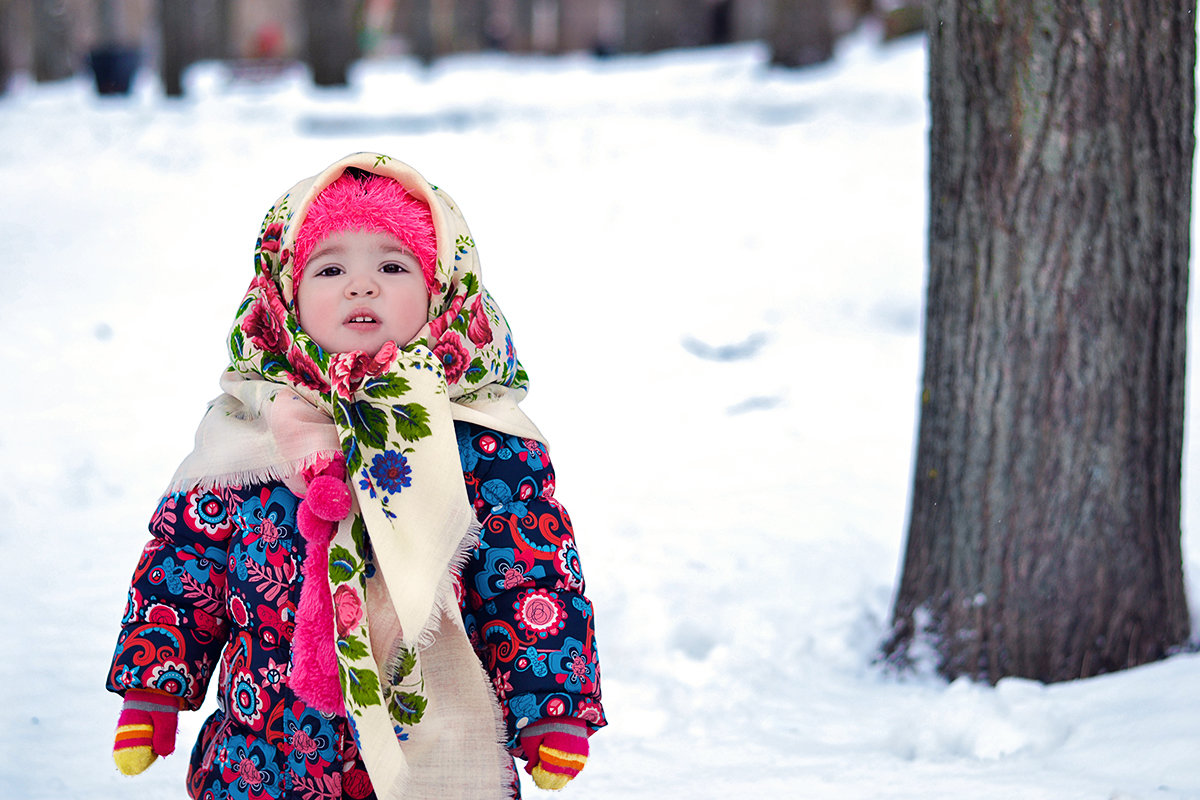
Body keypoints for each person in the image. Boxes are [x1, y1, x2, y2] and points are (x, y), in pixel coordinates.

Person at [106, 153, 606, 800]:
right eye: (331, 267)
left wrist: (552, 702)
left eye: (392, 267)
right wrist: (154, 688)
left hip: (427, 753)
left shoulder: (481, 442)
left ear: (441, 290)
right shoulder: (247, 430)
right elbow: (185, 562)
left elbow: (527, 574)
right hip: (262, 757)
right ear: (285, 293)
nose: (360, 286)